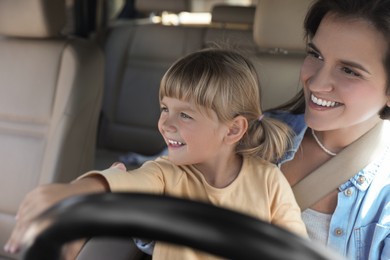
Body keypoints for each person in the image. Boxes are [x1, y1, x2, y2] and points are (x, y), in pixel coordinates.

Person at [4, 48, 307, 259]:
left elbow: (295, 248)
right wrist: (75, 192)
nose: (165, 123)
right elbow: (126, 182)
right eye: (165, 109)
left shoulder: (269, 182)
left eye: (185, 115)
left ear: (232, 130)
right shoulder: (166, 173)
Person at [267, 0, 390, 259]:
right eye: (316, 55)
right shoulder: (243, 134)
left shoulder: (384, 196)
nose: (317, 83)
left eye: (349, 71)